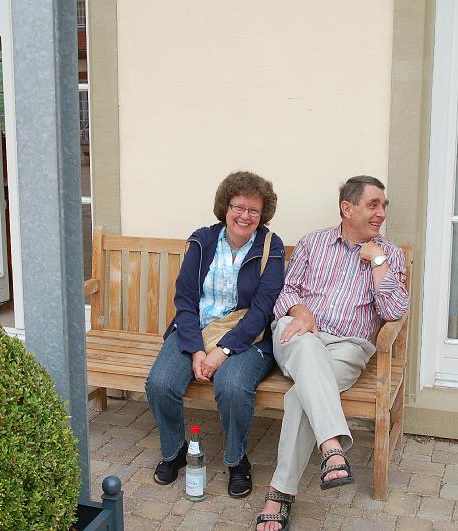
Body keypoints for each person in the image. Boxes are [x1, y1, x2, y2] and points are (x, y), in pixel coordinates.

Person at [256, 175, 409, 531]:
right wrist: (301, 312)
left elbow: (393, 311)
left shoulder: (389, 254)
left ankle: (280, 492)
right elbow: (286, 291)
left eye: (384, 206)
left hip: (348, 348)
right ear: (347, 208)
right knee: (306, 343)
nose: (381, 213)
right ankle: (331, 446)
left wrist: (378, 262)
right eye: (373, 205)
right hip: (298, 335)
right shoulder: (313, 243)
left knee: (300, 396)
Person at [145, 171, 285, 500]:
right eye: (238, 207)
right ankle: (174, 451)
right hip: (195, 329)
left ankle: (236, 460)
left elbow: (262, 309)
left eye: (253, 210)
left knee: (233, 386)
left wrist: (223, 350)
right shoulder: (202, 241)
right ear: (225, 207)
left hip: (246, 336)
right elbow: (185, 300)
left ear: (262, 213)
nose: (245, 216)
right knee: (160, 384)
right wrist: (196, 350)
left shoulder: (271, 246)